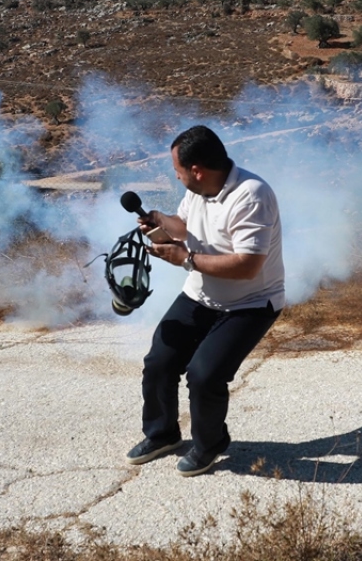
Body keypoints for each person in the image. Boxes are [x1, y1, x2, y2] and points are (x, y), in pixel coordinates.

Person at [126, 126, 284, 476]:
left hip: (251, 302)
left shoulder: (251, 195)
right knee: (159, 361)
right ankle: (163, 434)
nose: (177, 176)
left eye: (178, 171)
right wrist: (159, 221)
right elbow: (184, 224)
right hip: (201, 294)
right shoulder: (199, 190)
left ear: (196, 169)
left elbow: (248, 266)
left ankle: (210, 443)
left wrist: (186, 259)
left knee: (204, 374)